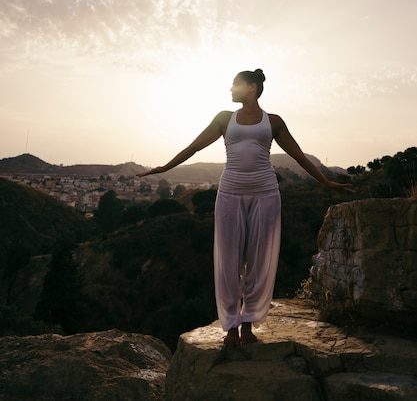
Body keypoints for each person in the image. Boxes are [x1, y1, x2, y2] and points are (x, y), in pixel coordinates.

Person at [137, 69, 354, 346]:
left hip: (265, 194)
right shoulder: (224, 119)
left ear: (252, 87)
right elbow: (194, 148)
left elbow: (298, 156)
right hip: (230, 193)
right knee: (229, 260)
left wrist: (327, 182)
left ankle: (248, 324)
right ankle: (230, 327)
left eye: (235, 84)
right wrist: (164, 167)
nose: (230, 89)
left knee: (258, 260)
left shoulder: (273, 122)